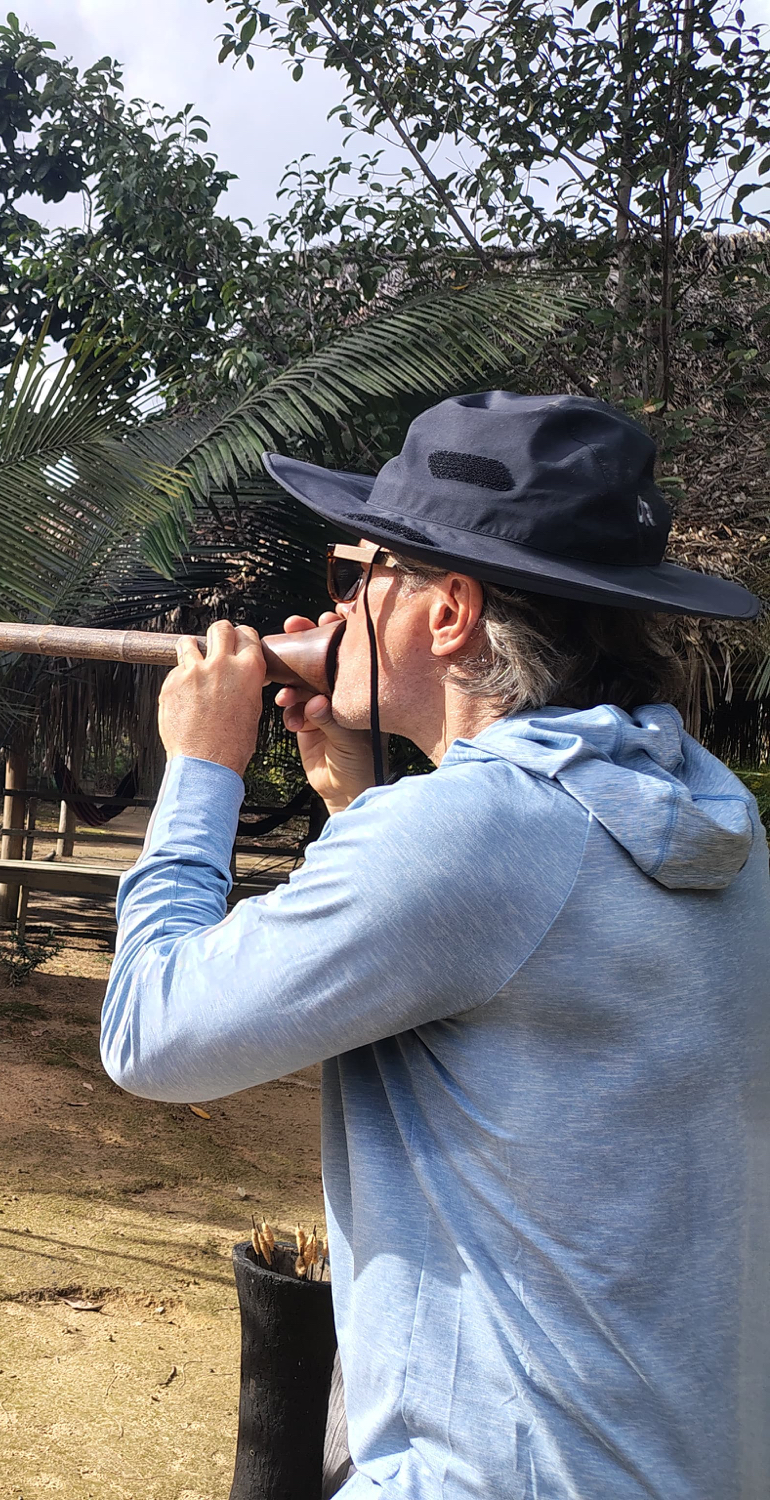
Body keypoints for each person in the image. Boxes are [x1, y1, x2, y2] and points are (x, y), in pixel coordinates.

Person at [97, 391, 770, 1499]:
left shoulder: (471, 833)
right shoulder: (700, 817)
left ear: (449, 610)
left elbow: (149, 1035)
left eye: (355, 576)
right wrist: (358, 807)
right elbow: (502, 984)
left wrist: (202, 769)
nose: (337, 607)